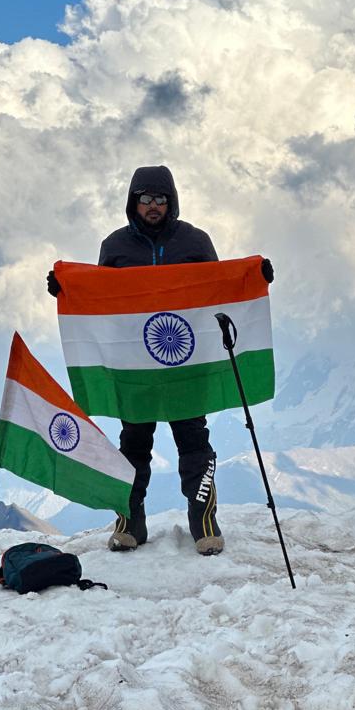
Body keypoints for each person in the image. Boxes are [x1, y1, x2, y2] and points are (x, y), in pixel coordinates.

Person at [48, 165, 273, 556]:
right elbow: (102, 302)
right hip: (135, 368)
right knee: (133, 444)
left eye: (160, 199)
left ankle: (204, 520)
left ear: (172, 202)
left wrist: (255, 278)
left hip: (187, 365)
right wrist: (66, 290)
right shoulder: (115, 246)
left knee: (194, 441)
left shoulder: (195, 241)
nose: (153, 206)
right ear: (133, 202)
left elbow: (219, 291)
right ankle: (130, 522)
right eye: (145, 199)